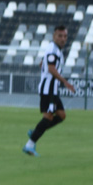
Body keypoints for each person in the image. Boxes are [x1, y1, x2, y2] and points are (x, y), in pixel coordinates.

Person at [23, 25, 76, 156]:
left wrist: (44, 66)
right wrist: (65, 82)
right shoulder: (53, 50)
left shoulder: (55, 49)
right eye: (60, 36)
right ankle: (29, 145)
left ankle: (36, 131)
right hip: (49, 90)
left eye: (65, 36)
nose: (63, 39)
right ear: (54, 36)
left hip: (53, 89)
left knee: (62, 115)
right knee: (48, 117)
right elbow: (51, 69)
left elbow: (43, 64)